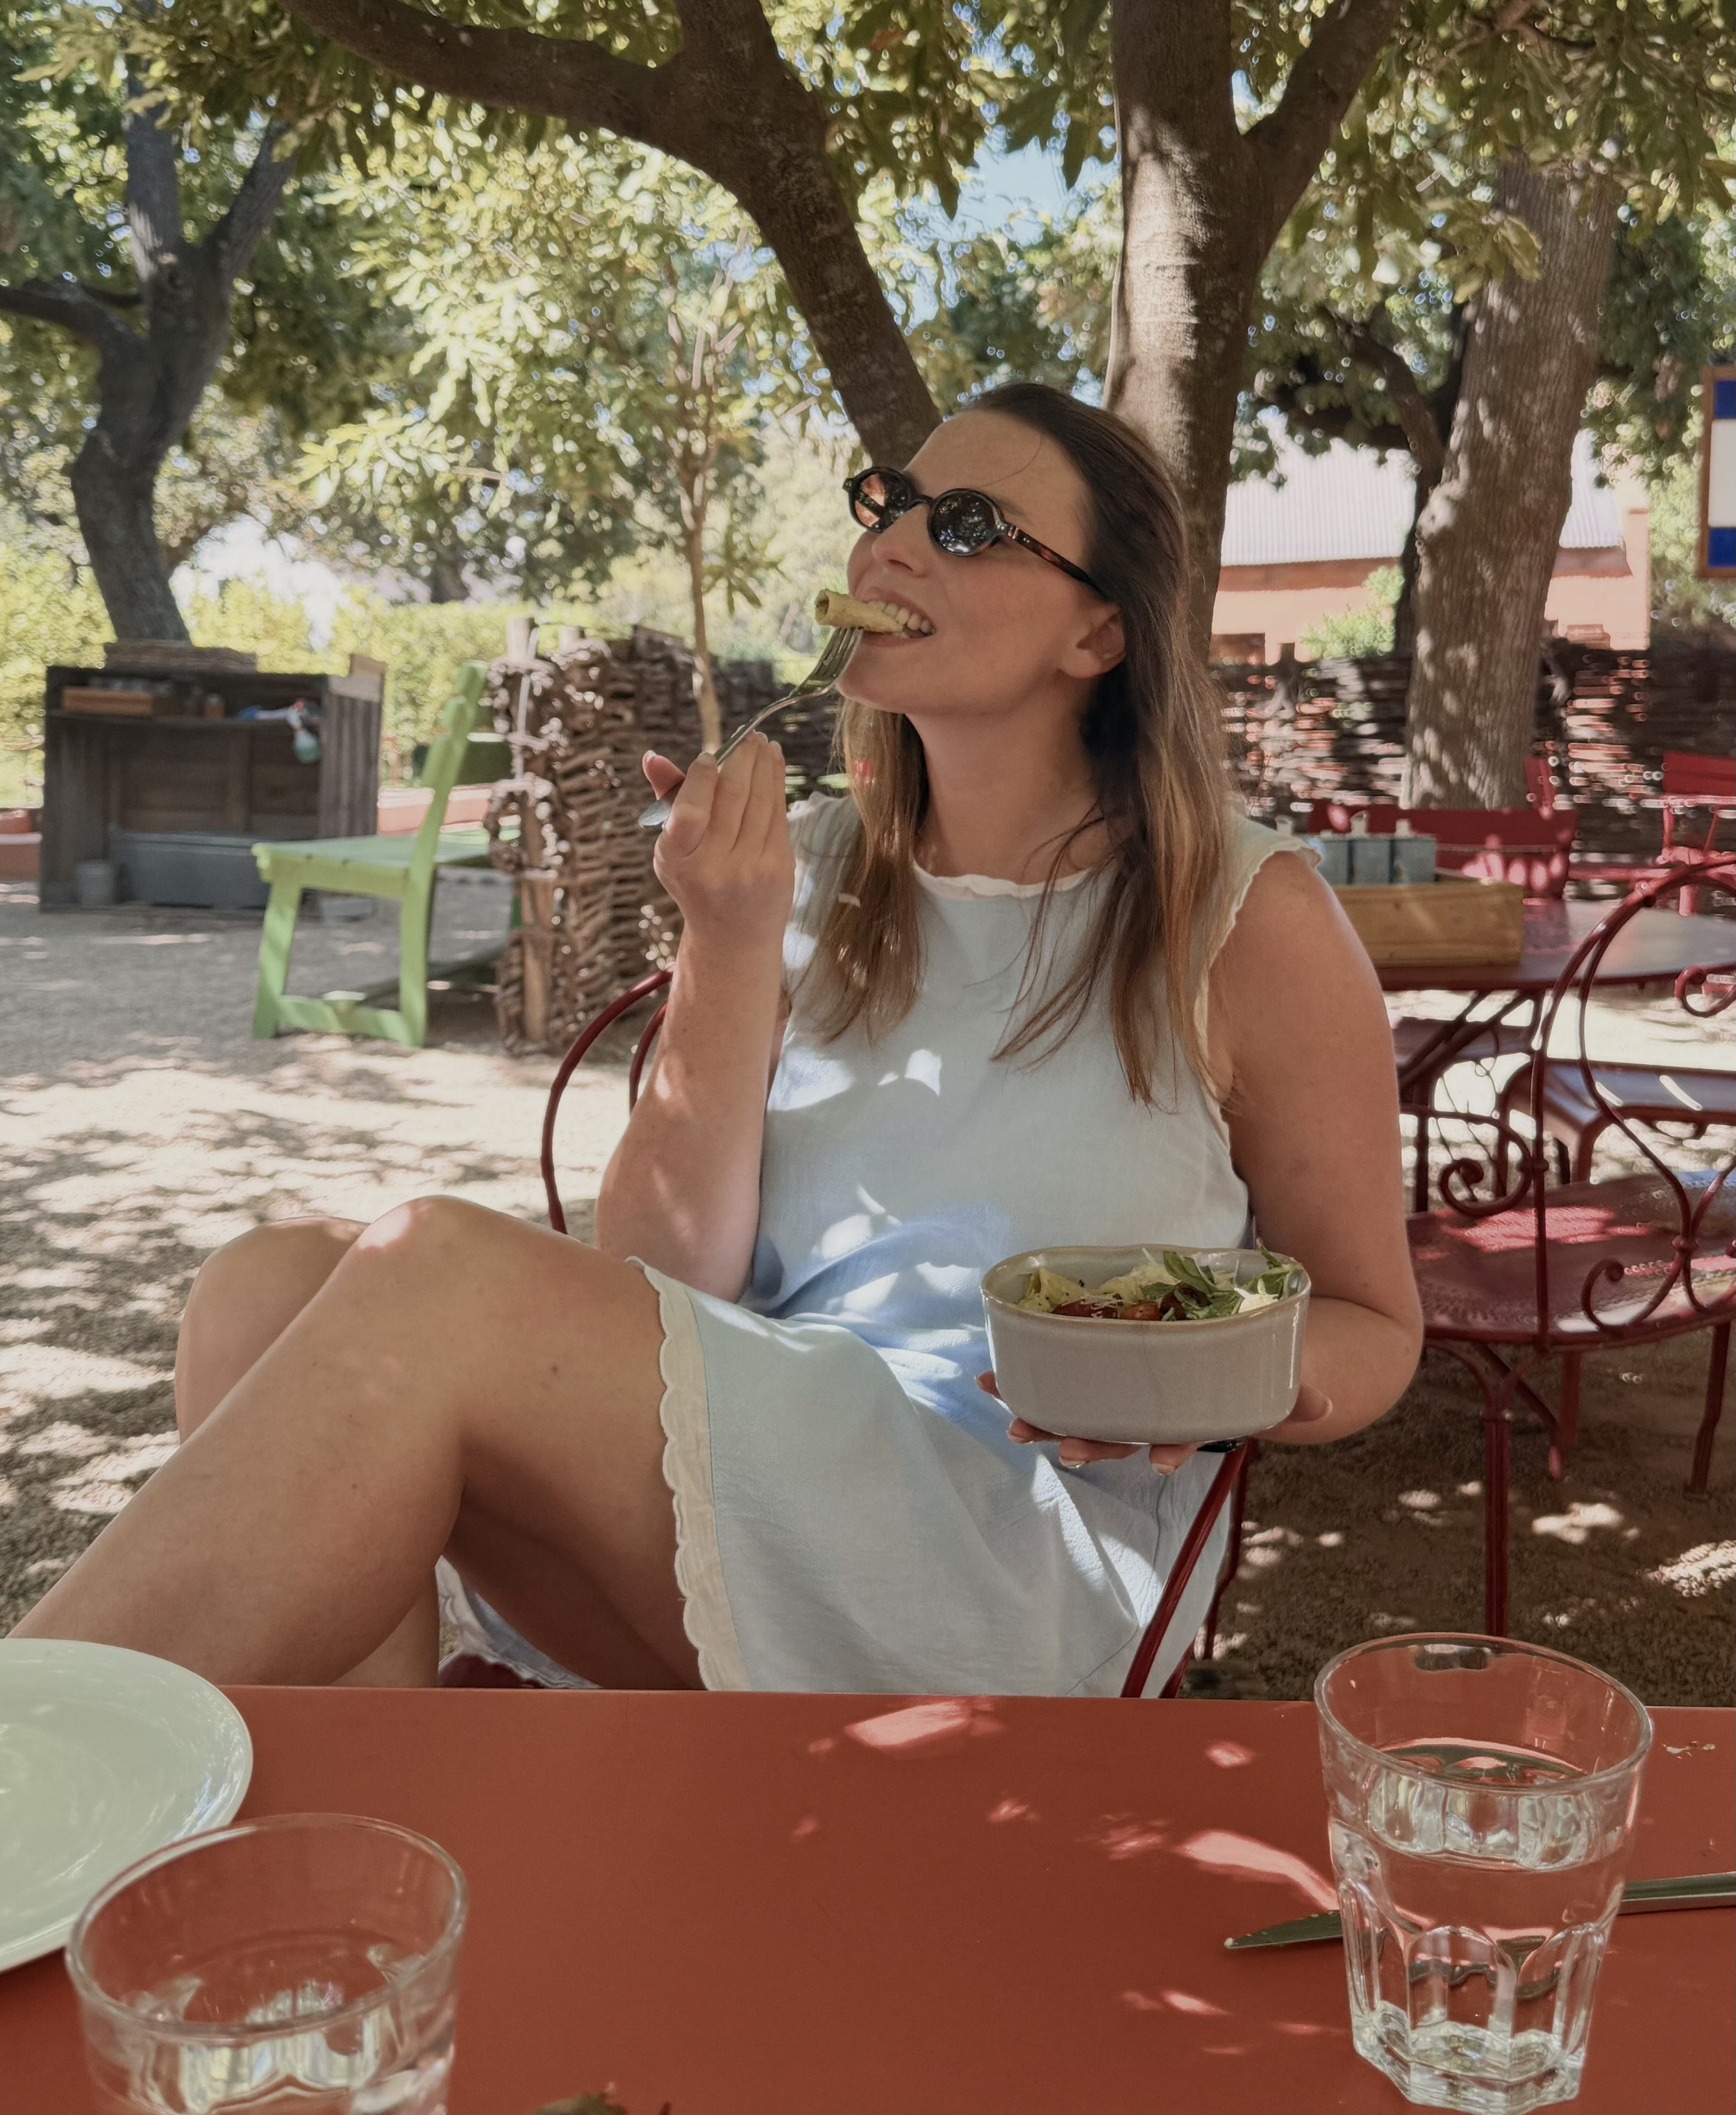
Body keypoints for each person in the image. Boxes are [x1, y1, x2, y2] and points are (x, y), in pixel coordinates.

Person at [16, 386, 1419, 1695]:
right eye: (890, 502)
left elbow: (1372, 1320)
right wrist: (730, 941)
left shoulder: (1238, 916)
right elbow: (664, 1273)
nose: (893, 543)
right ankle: (349, 1893)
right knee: (264, 1287)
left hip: (1019, 1537)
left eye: (969, 525)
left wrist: (1226, 1372)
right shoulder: (802, 868)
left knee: (427, 1269)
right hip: (756, 1454)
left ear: (1095, 635)